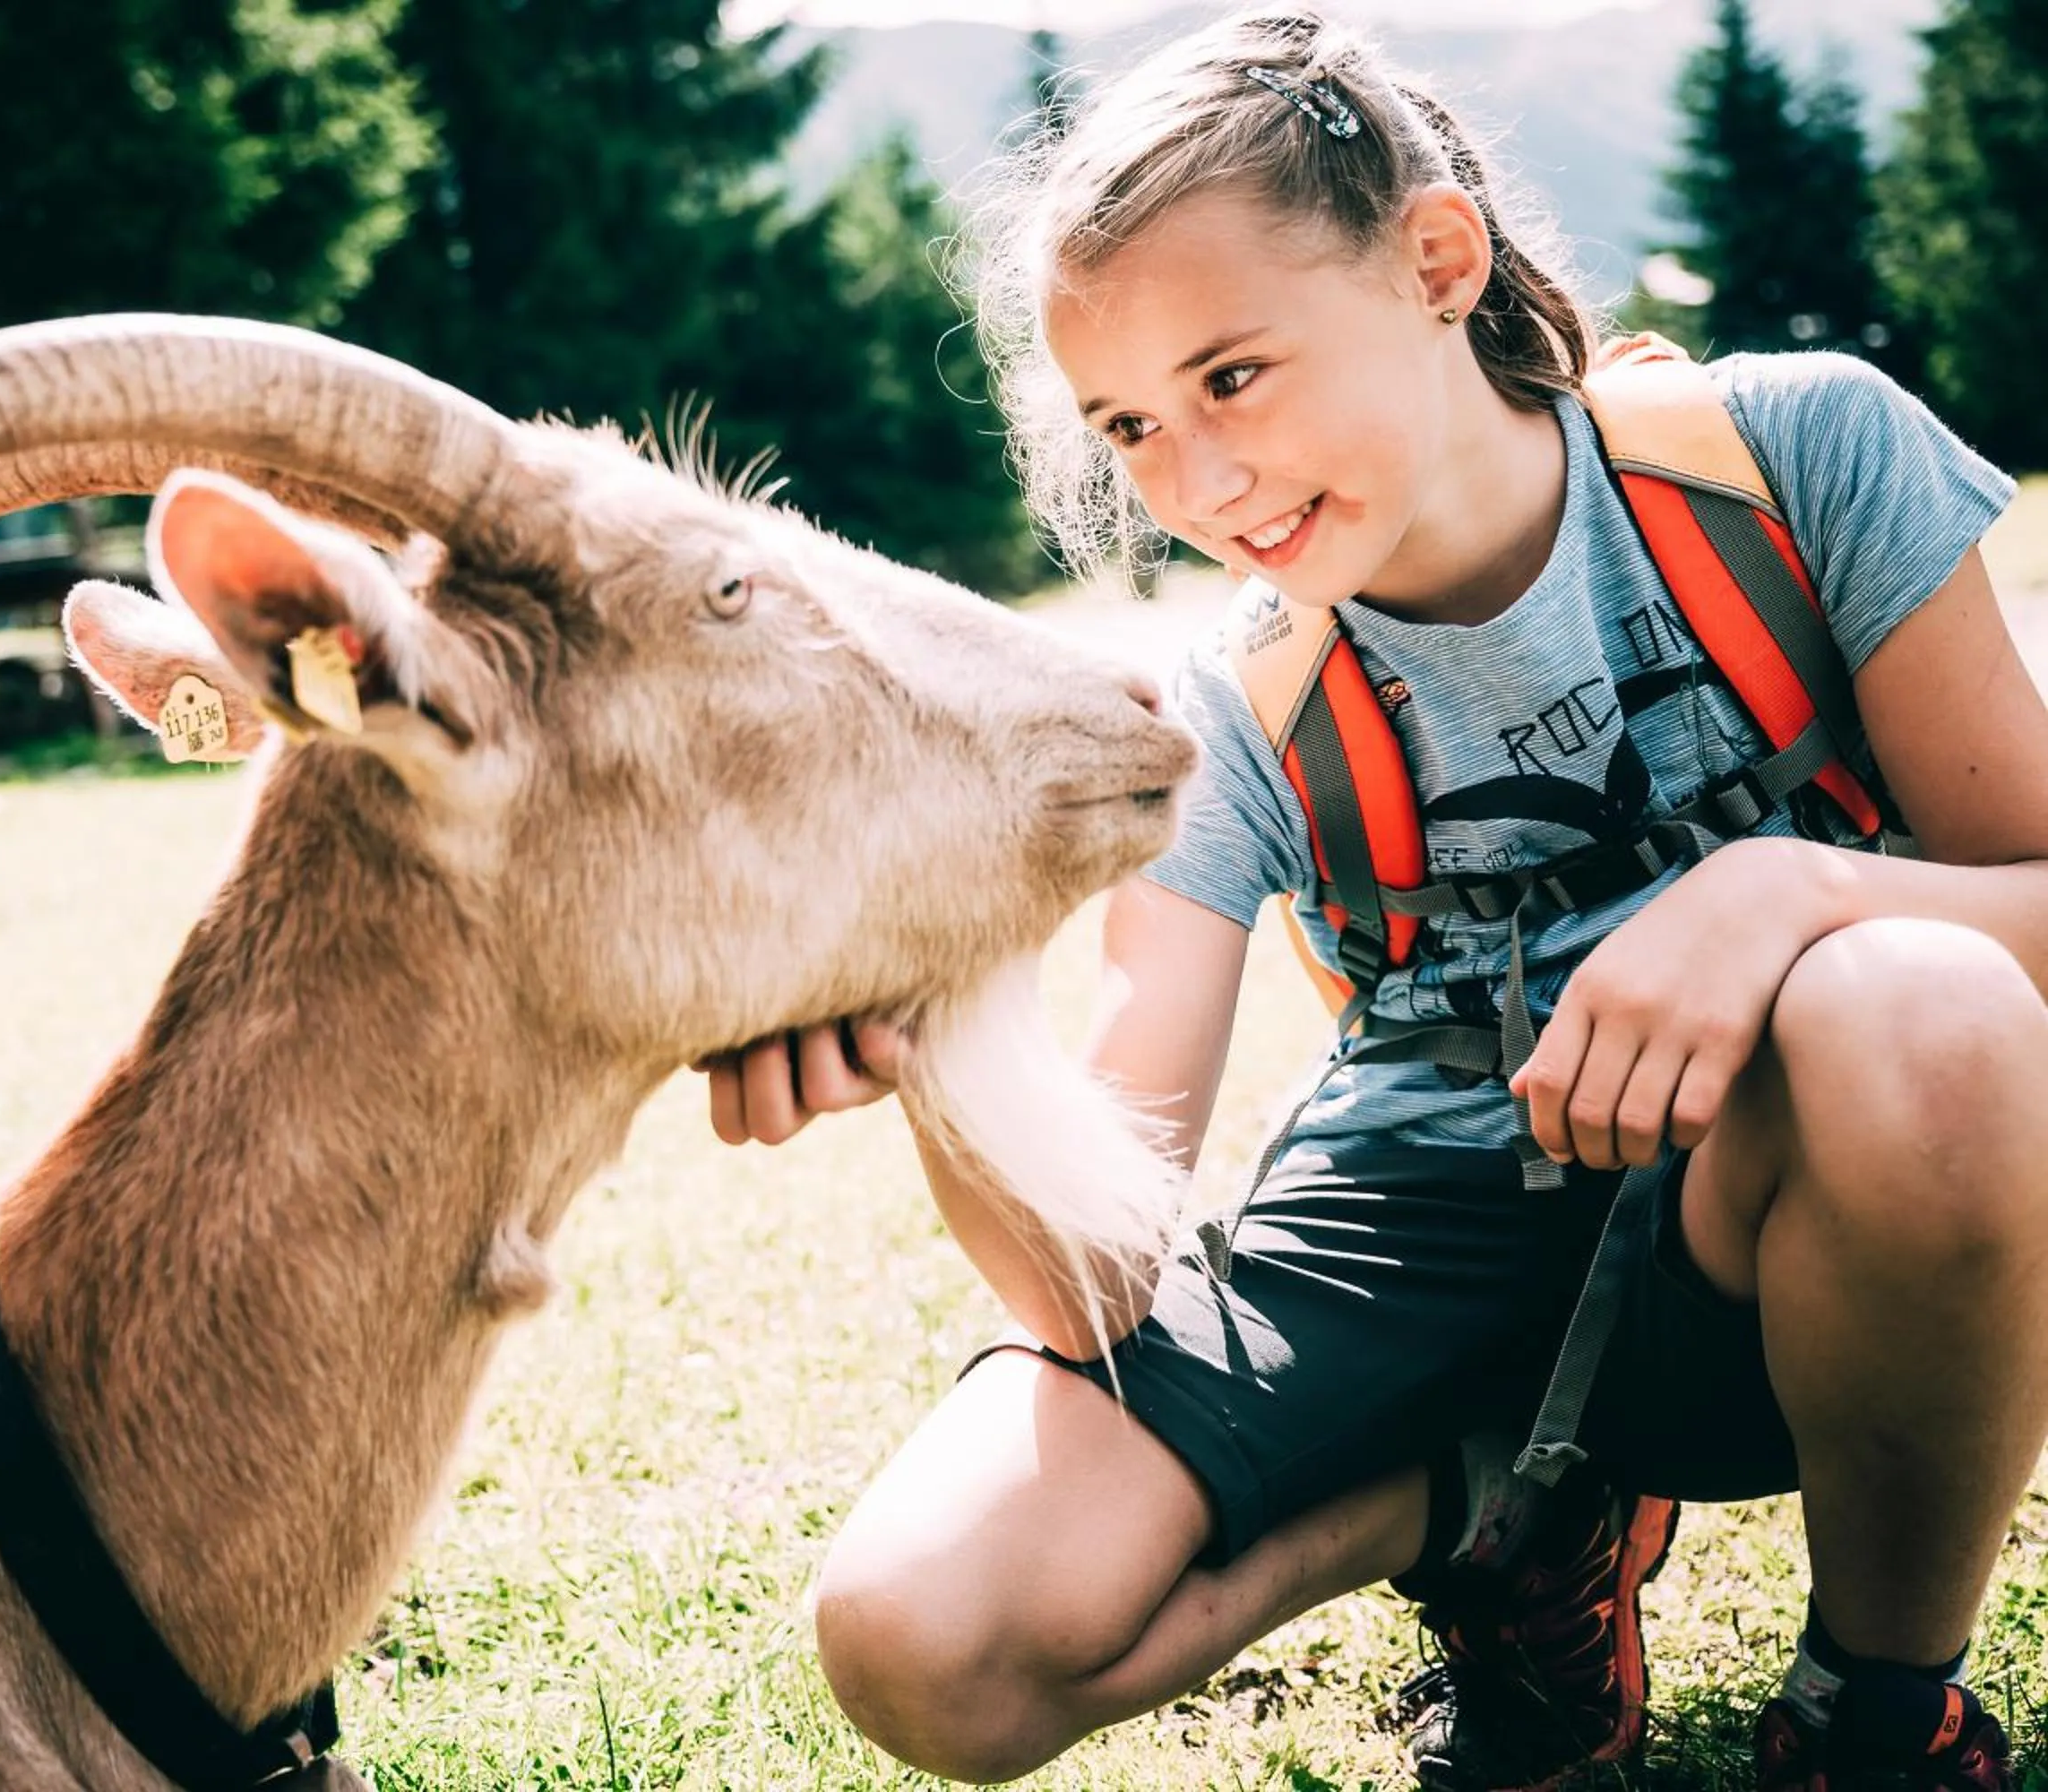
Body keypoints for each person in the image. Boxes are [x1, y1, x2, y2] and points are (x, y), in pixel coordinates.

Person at [696, 9, 2048, 1788]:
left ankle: (1873, 1709)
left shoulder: (1791, 459)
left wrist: (1780, 891)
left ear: (1436, 263)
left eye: (1232, 377)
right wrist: (936, 1008)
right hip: (1417, 1249)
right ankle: (1488, 1514)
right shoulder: (1218, 718)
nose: (1197, 483)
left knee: (1923, 1005)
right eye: (1131, 425)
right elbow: (1094, 1280)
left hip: (1775, 1245)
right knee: (928, 1635)